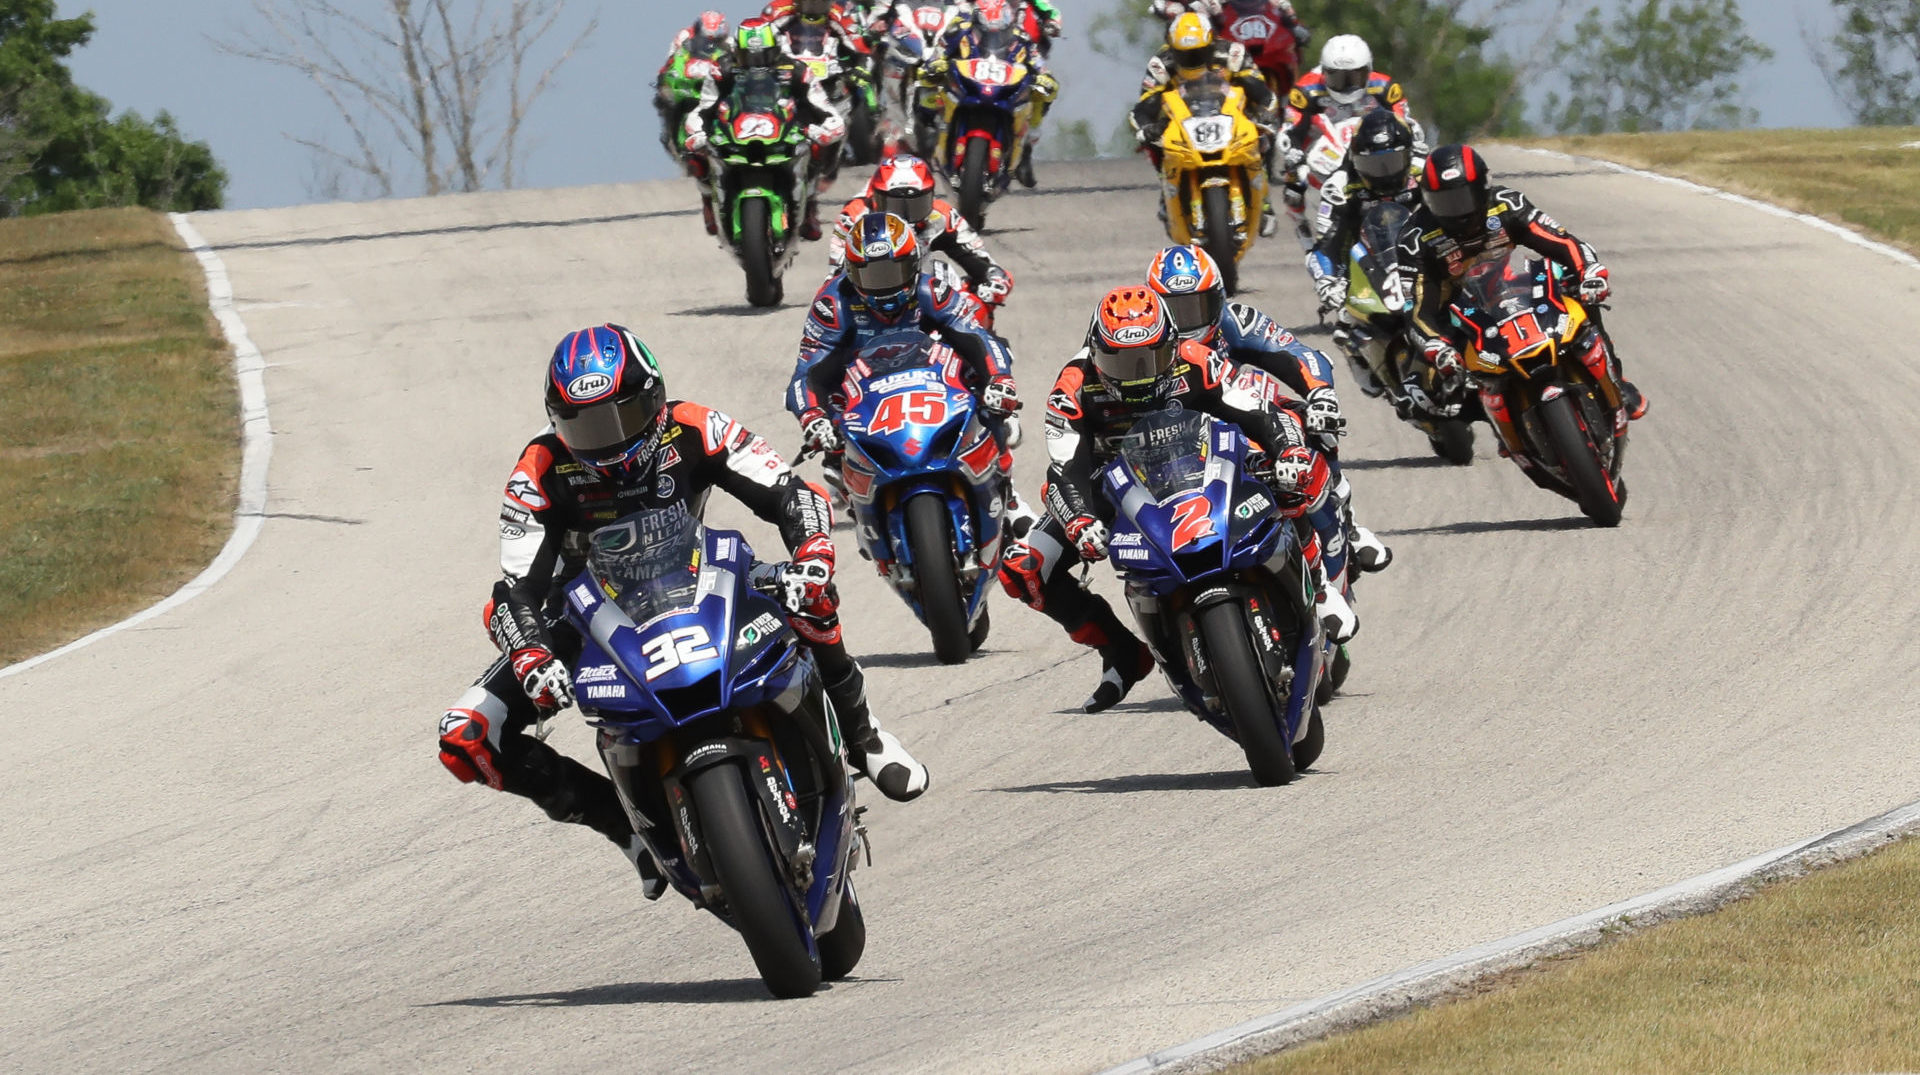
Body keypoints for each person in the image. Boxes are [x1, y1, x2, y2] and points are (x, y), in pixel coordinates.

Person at [436, 325, 931, 895]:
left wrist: (812, 553)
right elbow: (514, 587)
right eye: (583, 425)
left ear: (653, 399)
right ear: (556, 422)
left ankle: (863, 736)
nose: (605, 442)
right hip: (585, 613)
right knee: (464, 736)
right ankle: (625, 830)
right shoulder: (540, 470)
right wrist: (529, 653)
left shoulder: (695, 425)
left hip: (706, 573)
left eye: (618, 419)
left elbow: (789, 493)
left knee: (809, 594)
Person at [999, 286, 1358, 713]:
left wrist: (1290, 451)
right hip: (1117, 484)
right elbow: (1064, 470)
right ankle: (1123, 654)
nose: (1135, 375)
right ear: (1094, 350)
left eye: (1148, 359)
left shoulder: (1199, 361)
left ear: (1172, 345)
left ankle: (1316, 588)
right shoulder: (1072, 389)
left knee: (1289, 474)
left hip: (1208, 463)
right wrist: (1079, 519)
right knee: (1024, 570)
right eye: (1119, 361)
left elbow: (1263, 413)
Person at [1144, 244, 1392, 575]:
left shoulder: (1237, 320)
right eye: (1174, 311)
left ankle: (1346, 523)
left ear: (1217, 299)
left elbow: (1297, 353)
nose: (1186, 322)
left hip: (1244, 418)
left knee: (1312, 421)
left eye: (1195, 307)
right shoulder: (1143, 343)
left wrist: (1321, 397)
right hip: (1180, 440)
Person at [790, 212, 1036, 525]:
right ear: (851, 273)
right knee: (830, 428)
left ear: (915, 263)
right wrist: (812, 417)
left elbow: (977, 337)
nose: (886, 286)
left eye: (896, 271)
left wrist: (999, 380)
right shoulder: (832, 304)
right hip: (862, 391)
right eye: (873, 277)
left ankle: (1006, 491)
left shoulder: (932, 290)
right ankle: (856, 492)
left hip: (931, 378)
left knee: (990, 398)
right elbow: (806, 373)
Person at [1397, 143, 1647, 423]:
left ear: (1483, 188)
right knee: (1419, 397)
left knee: (1578, 287)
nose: (1456, 213)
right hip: (1457, 310)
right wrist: (1436, 347)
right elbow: (1416, 308)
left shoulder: (1507, 203)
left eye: (1463, 200)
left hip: (1508, 284)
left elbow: (1563, 242)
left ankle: (1616, 380)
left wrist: (1589, 272)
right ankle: (1497, 417)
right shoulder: (1416, 239)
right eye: (1445, 203)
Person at [683, 23, 846, 240]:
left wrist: (826, 127)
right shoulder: (721, 70)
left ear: (775, 50)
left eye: (762, 56)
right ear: (737, 51)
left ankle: (809, 206)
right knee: (697, 155)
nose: (755, 64)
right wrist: (696, 131)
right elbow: (705, 106)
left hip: (785, 126)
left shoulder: (797, 70)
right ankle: (708, 199)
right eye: (748, 56)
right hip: (734, 128)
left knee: (817, 149)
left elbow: (821, 105)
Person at [1130, 13, 1282, 236]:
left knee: (1264, 135)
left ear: (1211, 43)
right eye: (1184, 54)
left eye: (1198, 53)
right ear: (1172, 48)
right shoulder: (1161, 64)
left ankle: (1264, 197)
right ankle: (1166, 190)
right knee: (1153, 141)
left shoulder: (1233, 54)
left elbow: (1262, 91)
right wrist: (1146, 128)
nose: (1192, 59)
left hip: (1232, 117)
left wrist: (1265, 113)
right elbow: (1144, 106)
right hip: (1184, 122)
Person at [826, 155, 1015, 326]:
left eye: (916, 206)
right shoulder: (853, 219)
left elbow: (985, 264)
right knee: (833, 312)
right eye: (894, 206)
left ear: (930, 198)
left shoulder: (941, 216)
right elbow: (834, 278)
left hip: (923, 294)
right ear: (876, 199)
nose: (905, 218)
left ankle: (981, 357)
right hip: (871, 302)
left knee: (985, 297)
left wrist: (994, 282)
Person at [1278, 35, 1422, 242]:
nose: (1346, 87)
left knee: (1417, 176)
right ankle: (1308, 235)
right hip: (1324, 151)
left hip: (1370, 151)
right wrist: (1293, 153)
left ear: (1368, 70)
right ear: (1324, 72)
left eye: (1354, 78)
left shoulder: (1385, 87)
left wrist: (1416, 148)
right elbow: (1290, 129)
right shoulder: (1305, 90)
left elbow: (1407, 122)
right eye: (1338, 78)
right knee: (1293, 186)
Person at [920, 0, 1060, 188]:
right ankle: (929, 125)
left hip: (1011, 61)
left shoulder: (1022, 37)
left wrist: (1052, 24)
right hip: (972, 63)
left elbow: (1049, 12)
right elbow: (940, 50)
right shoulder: (962, 29)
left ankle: (1026, 146)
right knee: (929, 75)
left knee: (1041, 89)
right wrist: (935, 63)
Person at [1305, 108, 1423, 321]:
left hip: (1421, 255)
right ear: (1356, 161)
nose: (1384, 174)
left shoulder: (1423, 173)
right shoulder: (1340, 187)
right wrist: (1327, 282)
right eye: (1373, 166)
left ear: (1408, 156)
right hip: (1363, 270)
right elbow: (1323, 248)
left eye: (1392, 163)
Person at [1150, 0, 1310, 93]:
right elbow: (1164, 5)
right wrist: (1170, 8)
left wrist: (1291, 20)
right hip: (1201, 36)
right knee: (1172, 60)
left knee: (1292, 49)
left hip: (1244, 27)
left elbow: (1279, 4)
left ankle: (1290, 105)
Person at [654, 12, 731, 167]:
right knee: (665, 99)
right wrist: (666, 76)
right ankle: (671, 134)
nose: (713, 42)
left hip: (710, 81)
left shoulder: (729, 43)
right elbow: (673, 58)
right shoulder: (684, 37)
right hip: (686, 78)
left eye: (716, 39)